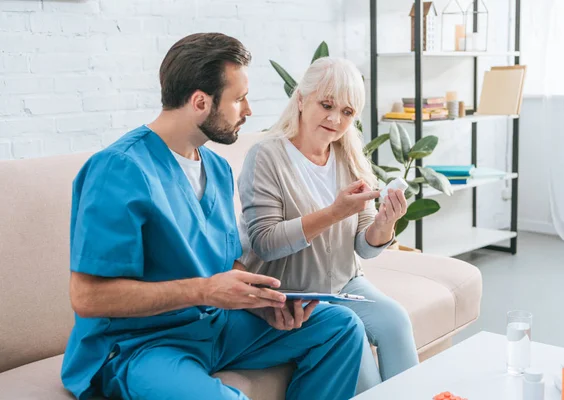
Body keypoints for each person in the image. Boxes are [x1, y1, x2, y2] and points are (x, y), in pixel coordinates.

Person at [61, 33, 365, 400]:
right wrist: (206, 290)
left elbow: (225, 263)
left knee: (341, 326)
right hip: (141, 346)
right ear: (200, 102)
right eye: (239, 99)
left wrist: (262, 305)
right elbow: (88, 298)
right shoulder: (118, 170)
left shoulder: (218, 169)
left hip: (213, 326)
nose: (249, 110)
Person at [237, 57, 420, 393]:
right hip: (291, 292)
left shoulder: (349, 158)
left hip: (343, 285)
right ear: (302, 100)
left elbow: (365, 247)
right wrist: (335, 212)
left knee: (395, 320)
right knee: (359, 358)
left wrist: (385, 222)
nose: (336, 119)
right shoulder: (266, 156)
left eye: (347, 113)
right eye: (327, 105)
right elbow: (266, 242)